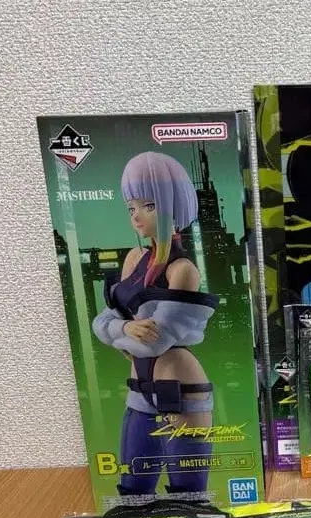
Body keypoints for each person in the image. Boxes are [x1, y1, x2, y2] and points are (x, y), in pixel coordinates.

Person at [92, 152, 218, 495]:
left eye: (148, 205)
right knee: (133, 489)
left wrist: (117, 330)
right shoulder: (134, 258)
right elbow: (102, 320)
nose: (136, 215)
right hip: (139, 388)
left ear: (171, 205)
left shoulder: (183, 270)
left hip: (180, 386)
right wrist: (124, 329)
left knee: (188, 492)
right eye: (131, 207)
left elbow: (153, 342)